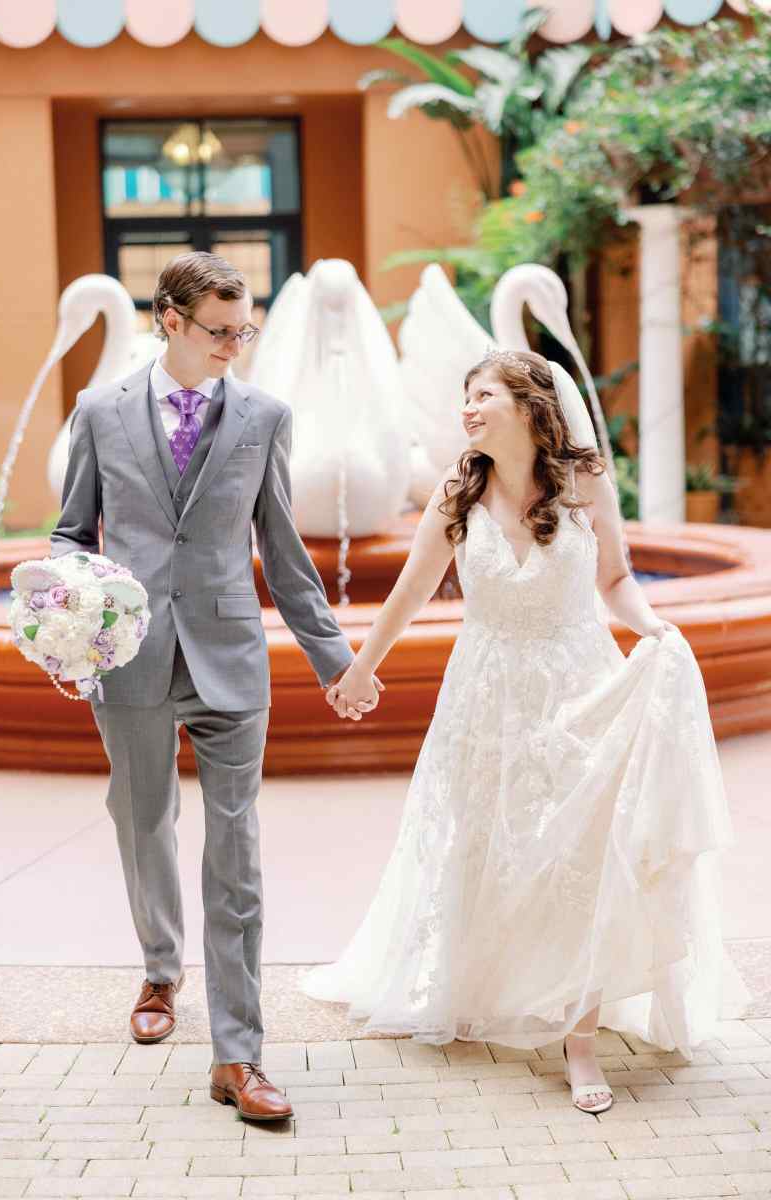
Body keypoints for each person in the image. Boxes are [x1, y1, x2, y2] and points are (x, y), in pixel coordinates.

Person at [303, 347, 733, 1115]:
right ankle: (483, 984)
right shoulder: (456, 493)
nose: (467, 408)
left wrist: (655, 629)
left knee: (582, 853)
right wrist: (361, 668)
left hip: (579, 684)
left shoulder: (584, 479)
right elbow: (408, 589)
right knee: (483, 844)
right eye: (464, 396)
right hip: (486, 692)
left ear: (530, 404)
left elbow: (615, 580)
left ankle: (578, 1034)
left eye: (483, 394)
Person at [50, 251, 382, 1122]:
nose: (237, 343)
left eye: (246, 329)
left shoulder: (266, 416)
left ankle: (240, 1056)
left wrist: (334, 658)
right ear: (169, 318)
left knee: (236, 853)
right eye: (220, 330)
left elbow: (284, 548)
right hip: (130, 660)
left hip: (231, 659)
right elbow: (69, 534)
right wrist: (71, 621)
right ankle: (161, 970)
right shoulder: (99, 410)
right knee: (142, 818)